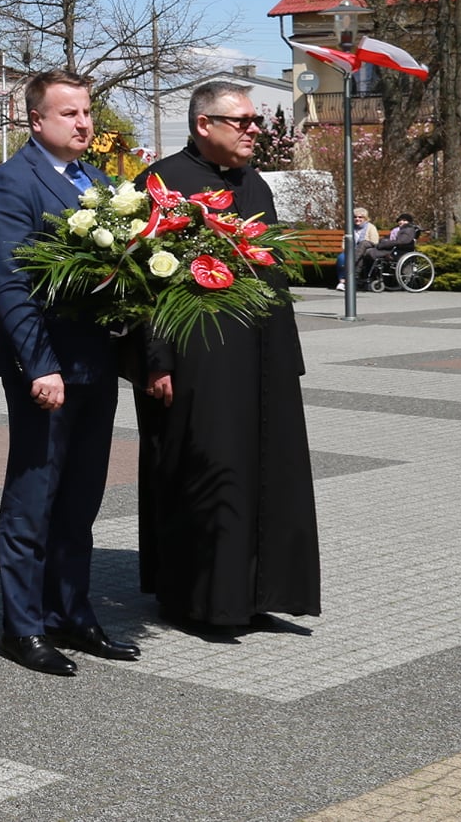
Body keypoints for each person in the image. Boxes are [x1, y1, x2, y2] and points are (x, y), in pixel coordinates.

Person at [136, 82, 322, 628]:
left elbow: (272, 269)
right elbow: (142, 282)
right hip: (199, 357)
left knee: (268, 467)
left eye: (255, 121)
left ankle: (259, 593)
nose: (254, 129)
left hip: (264, 353)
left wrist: (288, 352)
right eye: (240, 121)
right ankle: (201, 599)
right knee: (207, 468)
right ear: (203, 124)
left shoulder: (254, 183)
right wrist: (157, 358)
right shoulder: (162, 182)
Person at [0, 71, 139, 677]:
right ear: (36, 121)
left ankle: (72, 611)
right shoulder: (11, 184)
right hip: (44, 368)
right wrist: (40, 365)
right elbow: (12, 287)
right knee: (35, 495)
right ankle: (23, 625)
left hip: (95, 364)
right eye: (68, 113)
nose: (83, 122)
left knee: (82, 497)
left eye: (87, 111)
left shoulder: (99, 184)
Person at [337, 207, 377, 291]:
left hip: (365, 251)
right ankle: (342, 282)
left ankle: (347, 280)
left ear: (365, 218)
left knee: (362, 247)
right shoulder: (350, 228)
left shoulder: (371, 227)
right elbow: (345, 240)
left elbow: (374, 242)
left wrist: (361, 247)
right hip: (351, 251)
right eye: (355, 217)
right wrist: (346, 250)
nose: (357, 219)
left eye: (360, 217)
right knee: (341, 258)